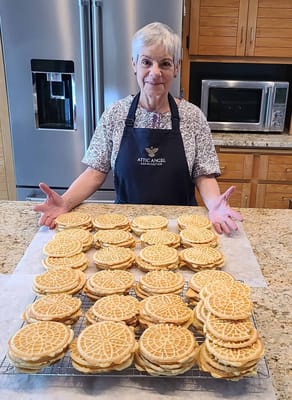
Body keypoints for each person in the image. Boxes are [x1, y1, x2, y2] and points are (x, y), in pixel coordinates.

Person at [34, 22, 242, 235]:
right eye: (146, 62)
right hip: (125, 227)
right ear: (134, 64)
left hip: (180, 227)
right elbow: (95, 172)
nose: (155, 72)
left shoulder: (193, 117)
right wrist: (65, 202)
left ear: (176, 67)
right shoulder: (115, 114)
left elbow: (204, 175)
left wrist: (214, 204)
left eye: (165, 64)